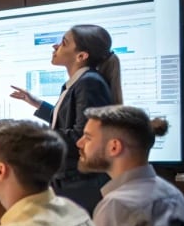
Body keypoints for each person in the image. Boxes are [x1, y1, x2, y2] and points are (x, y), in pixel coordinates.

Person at [10, 24, 122, 214]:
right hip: (71, 180)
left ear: (81, 56)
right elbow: (69, 120)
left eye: (63, 43)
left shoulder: (89, 83)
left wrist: (34, 135)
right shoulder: (80, 82)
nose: (55, 46)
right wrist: (38, 104)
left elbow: (82, 136)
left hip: (80, 182)